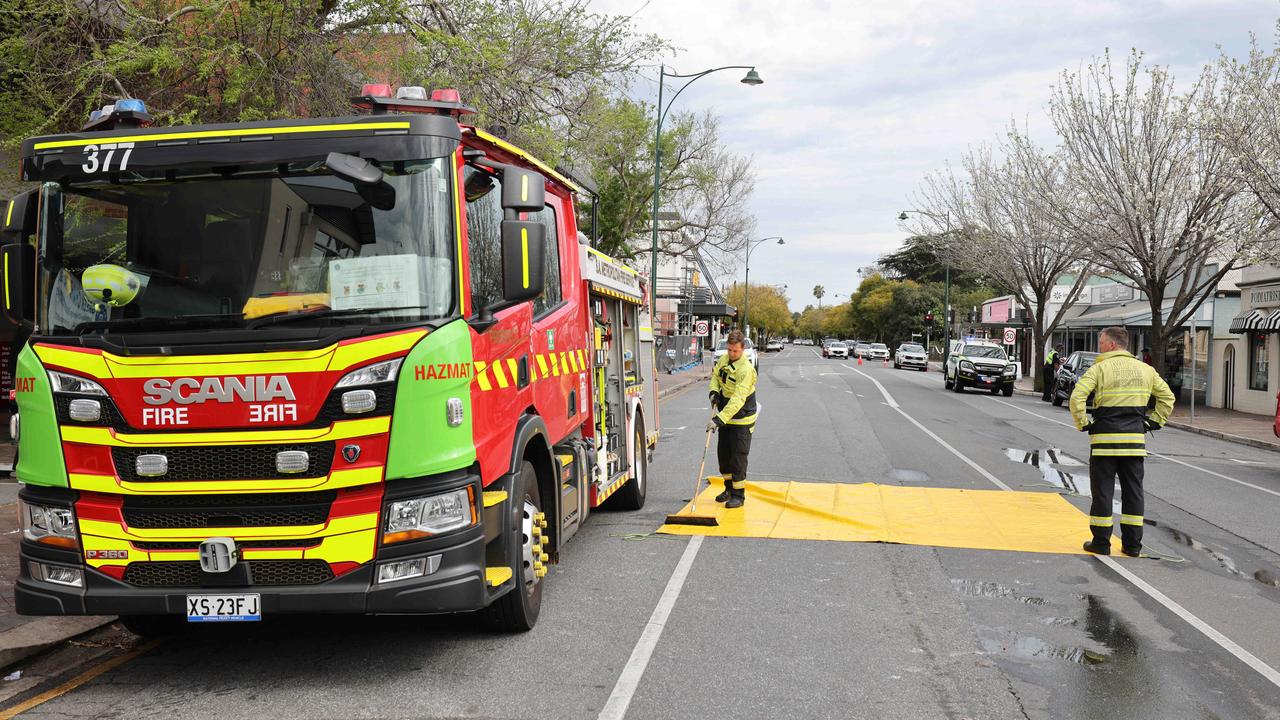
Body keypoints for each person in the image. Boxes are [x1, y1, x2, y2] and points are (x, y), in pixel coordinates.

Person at [1069, 326, 1174, 557]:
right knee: (1134, 492)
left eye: (1102, 343)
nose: (1100, 347)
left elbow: (1077, 397)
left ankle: (1101, 543)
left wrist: (1084, 423)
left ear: (1113, 345)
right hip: (1134, 444)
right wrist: (1153, 423)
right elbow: (1167, 397)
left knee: (1103, 493)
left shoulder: (1099, 369)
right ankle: (1132, 546)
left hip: (1104, 444)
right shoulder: (1146, 370)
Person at [707, 330, 758, 509]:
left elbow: (737, 399)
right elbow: (715, 377)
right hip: (726, 417)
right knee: (724, 456)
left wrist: (719, 419)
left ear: (742, 349)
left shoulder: (746, 370)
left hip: (742, 418)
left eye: (735, 351)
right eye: (729, 350)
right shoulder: (724, 360)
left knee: (738, 458)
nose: (731, 354)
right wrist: (714, 392)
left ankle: (738, 495)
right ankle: (728, 489)